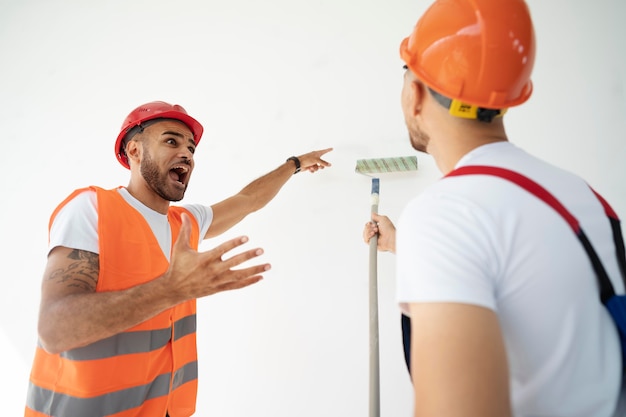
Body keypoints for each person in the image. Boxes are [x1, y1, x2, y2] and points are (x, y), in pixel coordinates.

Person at [363, 0, 625, 416]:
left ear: (414, 94)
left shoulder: (445, 216)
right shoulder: (587, 199)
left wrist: (428, 237)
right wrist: (408, 244)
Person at [24, 100, 333, 417]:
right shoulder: (92, 208)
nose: (187, 153)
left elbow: (248, 200)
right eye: (171, 140)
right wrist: (172, 289)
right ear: (134, 152)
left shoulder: (185, 224)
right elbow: (54, 330)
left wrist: (293, 164)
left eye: (192, 148)